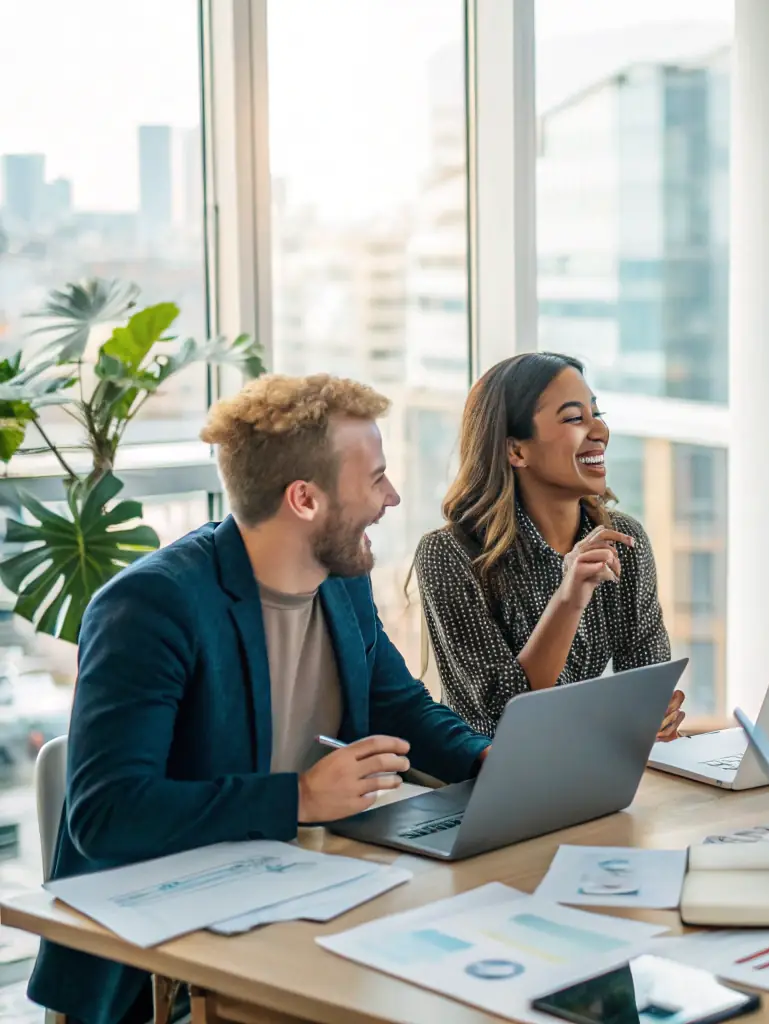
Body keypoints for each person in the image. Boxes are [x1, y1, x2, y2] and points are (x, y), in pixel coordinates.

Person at [30, 375, 492, 1024]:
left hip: (311, 897)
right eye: (376, 479)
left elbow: (401, 707)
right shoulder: (150, 608)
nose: (391, 497)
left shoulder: (343, 583)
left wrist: (490, 761)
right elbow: (108, 813)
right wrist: (298, 797)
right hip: (166, 960)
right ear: (304, 498)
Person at [414, 352, 685, 740]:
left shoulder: (624, 541)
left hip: (588, 768)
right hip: (486, 781)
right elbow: (506, 715)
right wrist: (569, 599)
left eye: (597, 413)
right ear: (516, 451)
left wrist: (656, 715)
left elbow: (646, 683)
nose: (599, 431)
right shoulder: (448, 555)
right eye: (575, 418)